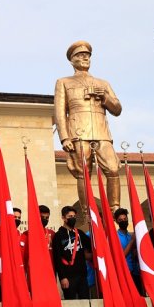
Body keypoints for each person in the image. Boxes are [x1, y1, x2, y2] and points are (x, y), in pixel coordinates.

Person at [54, 41, 123, 213]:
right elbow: (60, 112)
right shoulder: (63, 82)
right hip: (78, 132)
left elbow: (117, 109)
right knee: (83, 172)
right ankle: (87, 210)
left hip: (101, 132)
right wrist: (64, 137)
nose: (84, 57)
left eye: (87, 55)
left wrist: (105, 97)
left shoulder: (103, 83)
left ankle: (115, 207)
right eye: (79, 55)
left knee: (113, 168)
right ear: (72, 61)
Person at [52, 206, 92, 300]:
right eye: (70, 216)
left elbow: (92, 245)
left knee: (85, 303)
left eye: (74, 216)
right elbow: (57, 258)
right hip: (68, 277)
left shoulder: (80, 233)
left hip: (82, 276)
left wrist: (92, 225)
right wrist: (62, 277)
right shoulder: (58, 236)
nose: (72, 218)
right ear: (63, 218)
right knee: (71, 305)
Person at [0, 207, 23, 298]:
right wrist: (0, 273)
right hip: (5, 277)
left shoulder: (22, 237)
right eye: (14, 217)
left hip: (19, 278)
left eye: (19, 218)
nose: (17, 220)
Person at [113, 208, 142, 294]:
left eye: (125, 219)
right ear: (117, 222)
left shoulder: (130, 235)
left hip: (135, 272)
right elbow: (121, 256)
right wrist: (132, 241)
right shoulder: (115, 237)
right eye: (120, 220)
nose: (123, 221)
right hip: (124, 273)